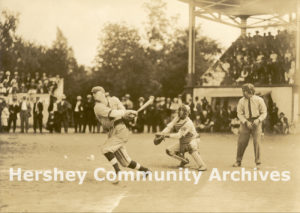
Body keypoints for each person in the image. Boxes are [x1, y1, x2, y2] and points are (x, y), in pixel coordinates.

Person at [92, 86, 150, 183]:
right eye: (93, 93)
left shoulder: (114, 100)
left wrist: (129, 116)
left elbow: (122, 112)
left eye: (95, 92)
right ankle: (146, 171)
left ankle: (118, 173)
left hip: (121, 130)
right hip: (111, 132)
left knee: (105, 149)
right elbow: (112, 113)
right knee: (125, 162)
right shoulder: (97, 107)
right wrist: (126, 112)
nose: (93, 95)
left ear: (102, 93)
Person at [156, 104, 207, 171]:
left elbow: (178, 135)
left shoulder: (188, 123)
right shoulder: (177, 118)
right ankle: (184, 160)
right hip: (183, 140)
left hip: (194, 139)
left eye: (183, 111)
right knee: (169, 151)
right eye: (180, 110)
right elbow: (169, 127)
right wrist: (162, 133)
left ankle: (202, 165)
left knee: (190, 147)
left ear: (187, 113)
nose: (181, 112)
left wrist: (166, 135)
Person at [233, 83, 267, 169]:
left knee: (257, 142)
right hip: (245, 122)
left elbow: (264, 112)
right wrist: (245, 122)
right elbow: (239, 114)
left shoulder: (259, 100)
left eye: (246, 91)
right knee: (241, 142)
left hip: (257, 121)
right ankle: (238, 161)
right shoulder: (241, 101)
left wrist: (258, 120)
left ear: (251, 91)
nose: (244, 93)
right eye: (243, 91)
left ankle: (258, 163)